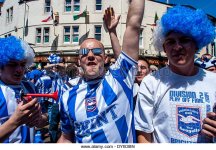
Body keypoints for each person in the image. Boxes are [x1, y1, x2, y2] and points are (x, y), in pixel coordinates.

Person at [58, 0, 145, 143]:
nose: (90, 56)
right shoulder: (67, 97)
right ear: (78, 61)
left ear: (105, 59)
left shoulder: (120, 79)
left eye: (97, 52)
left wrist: (112, 32)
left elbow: (134, 24)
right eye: (84, 53)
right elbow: (66, 138)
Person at [134, 5, 216, 143]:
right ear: (164, 48)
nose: (177, 47)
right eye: (171, 42)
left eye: (184, 40)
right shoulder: (151, 82)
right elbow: (143, 135)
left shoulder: (213, 81)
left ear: (196, 44)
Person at [0, 36, 48, 143]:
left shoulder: (30, 87)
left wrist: (39, 120)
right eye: (12, 64)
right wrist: (15, 121)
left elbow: (45, 116)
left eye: (22, 64)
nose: (19, 69)